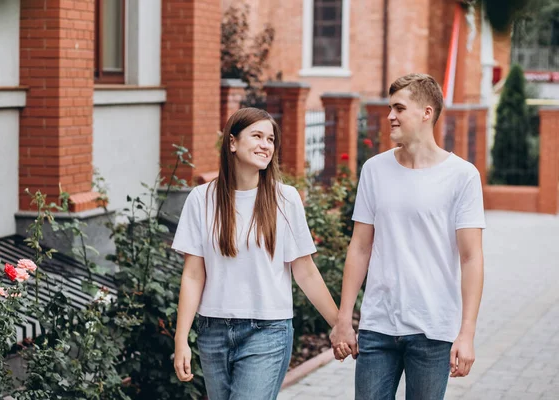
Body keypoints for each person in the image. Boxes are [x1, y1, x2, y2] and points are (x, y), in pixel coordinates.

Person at [330, 73, 485, 399]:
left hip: (433, 329)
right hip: (378, 327)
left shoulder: (462, 176)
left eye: (399, 108)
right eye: (390, 108)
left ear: (426, 112)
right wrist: (344, 319)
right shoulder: (374, 169)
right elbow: (359, 247)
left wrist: (466, 333)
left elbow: (471, 258)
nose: (390, 116)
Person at [171, 107, 339, 400]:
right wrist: (181, 338)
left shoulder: (285, 199)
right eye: (257, 136)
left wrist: (340, 324)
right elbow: (193, 274)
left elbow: (305, 270)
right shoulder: (202, 199)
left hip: (268, 331)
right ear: (232, 142)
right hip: (212, 331)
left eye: (270, 139)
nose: (265, 145)